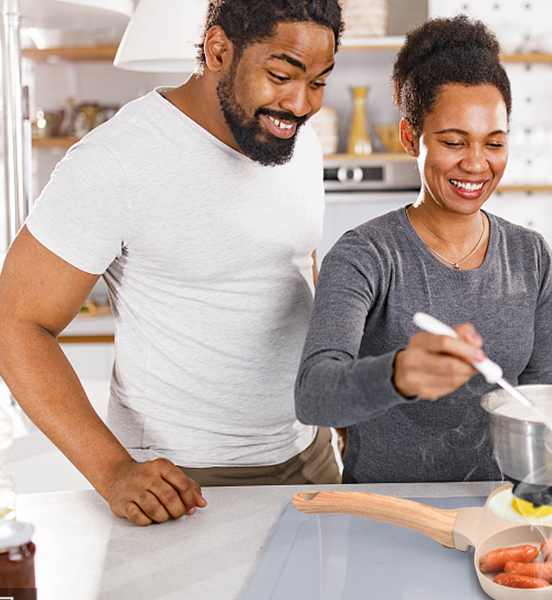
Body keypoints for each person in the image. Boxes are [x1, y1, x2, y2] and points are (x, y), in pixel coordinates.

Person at [0, 0, 345, 527]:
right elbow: (14, 324)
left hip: (310, 458)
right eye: (281, 75)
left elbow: (295, 268)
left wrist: (336, 392)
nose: (301, 104)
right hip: (183, 482)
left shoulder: (298, 141)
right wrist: (112, 470)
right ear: (218, 50)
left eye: (319, 82)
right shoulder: (117, 160)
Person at [295, 16, 552, 485]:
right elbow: (314, 395)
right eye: (453, 141)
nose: (476, 163)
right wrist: (401, 374)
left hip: (499, 514)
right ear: (411, 137)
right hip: (385, 519)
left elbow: (539, 396)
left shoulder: (530, 256)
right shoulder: (364, 256)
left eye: (494, 142)